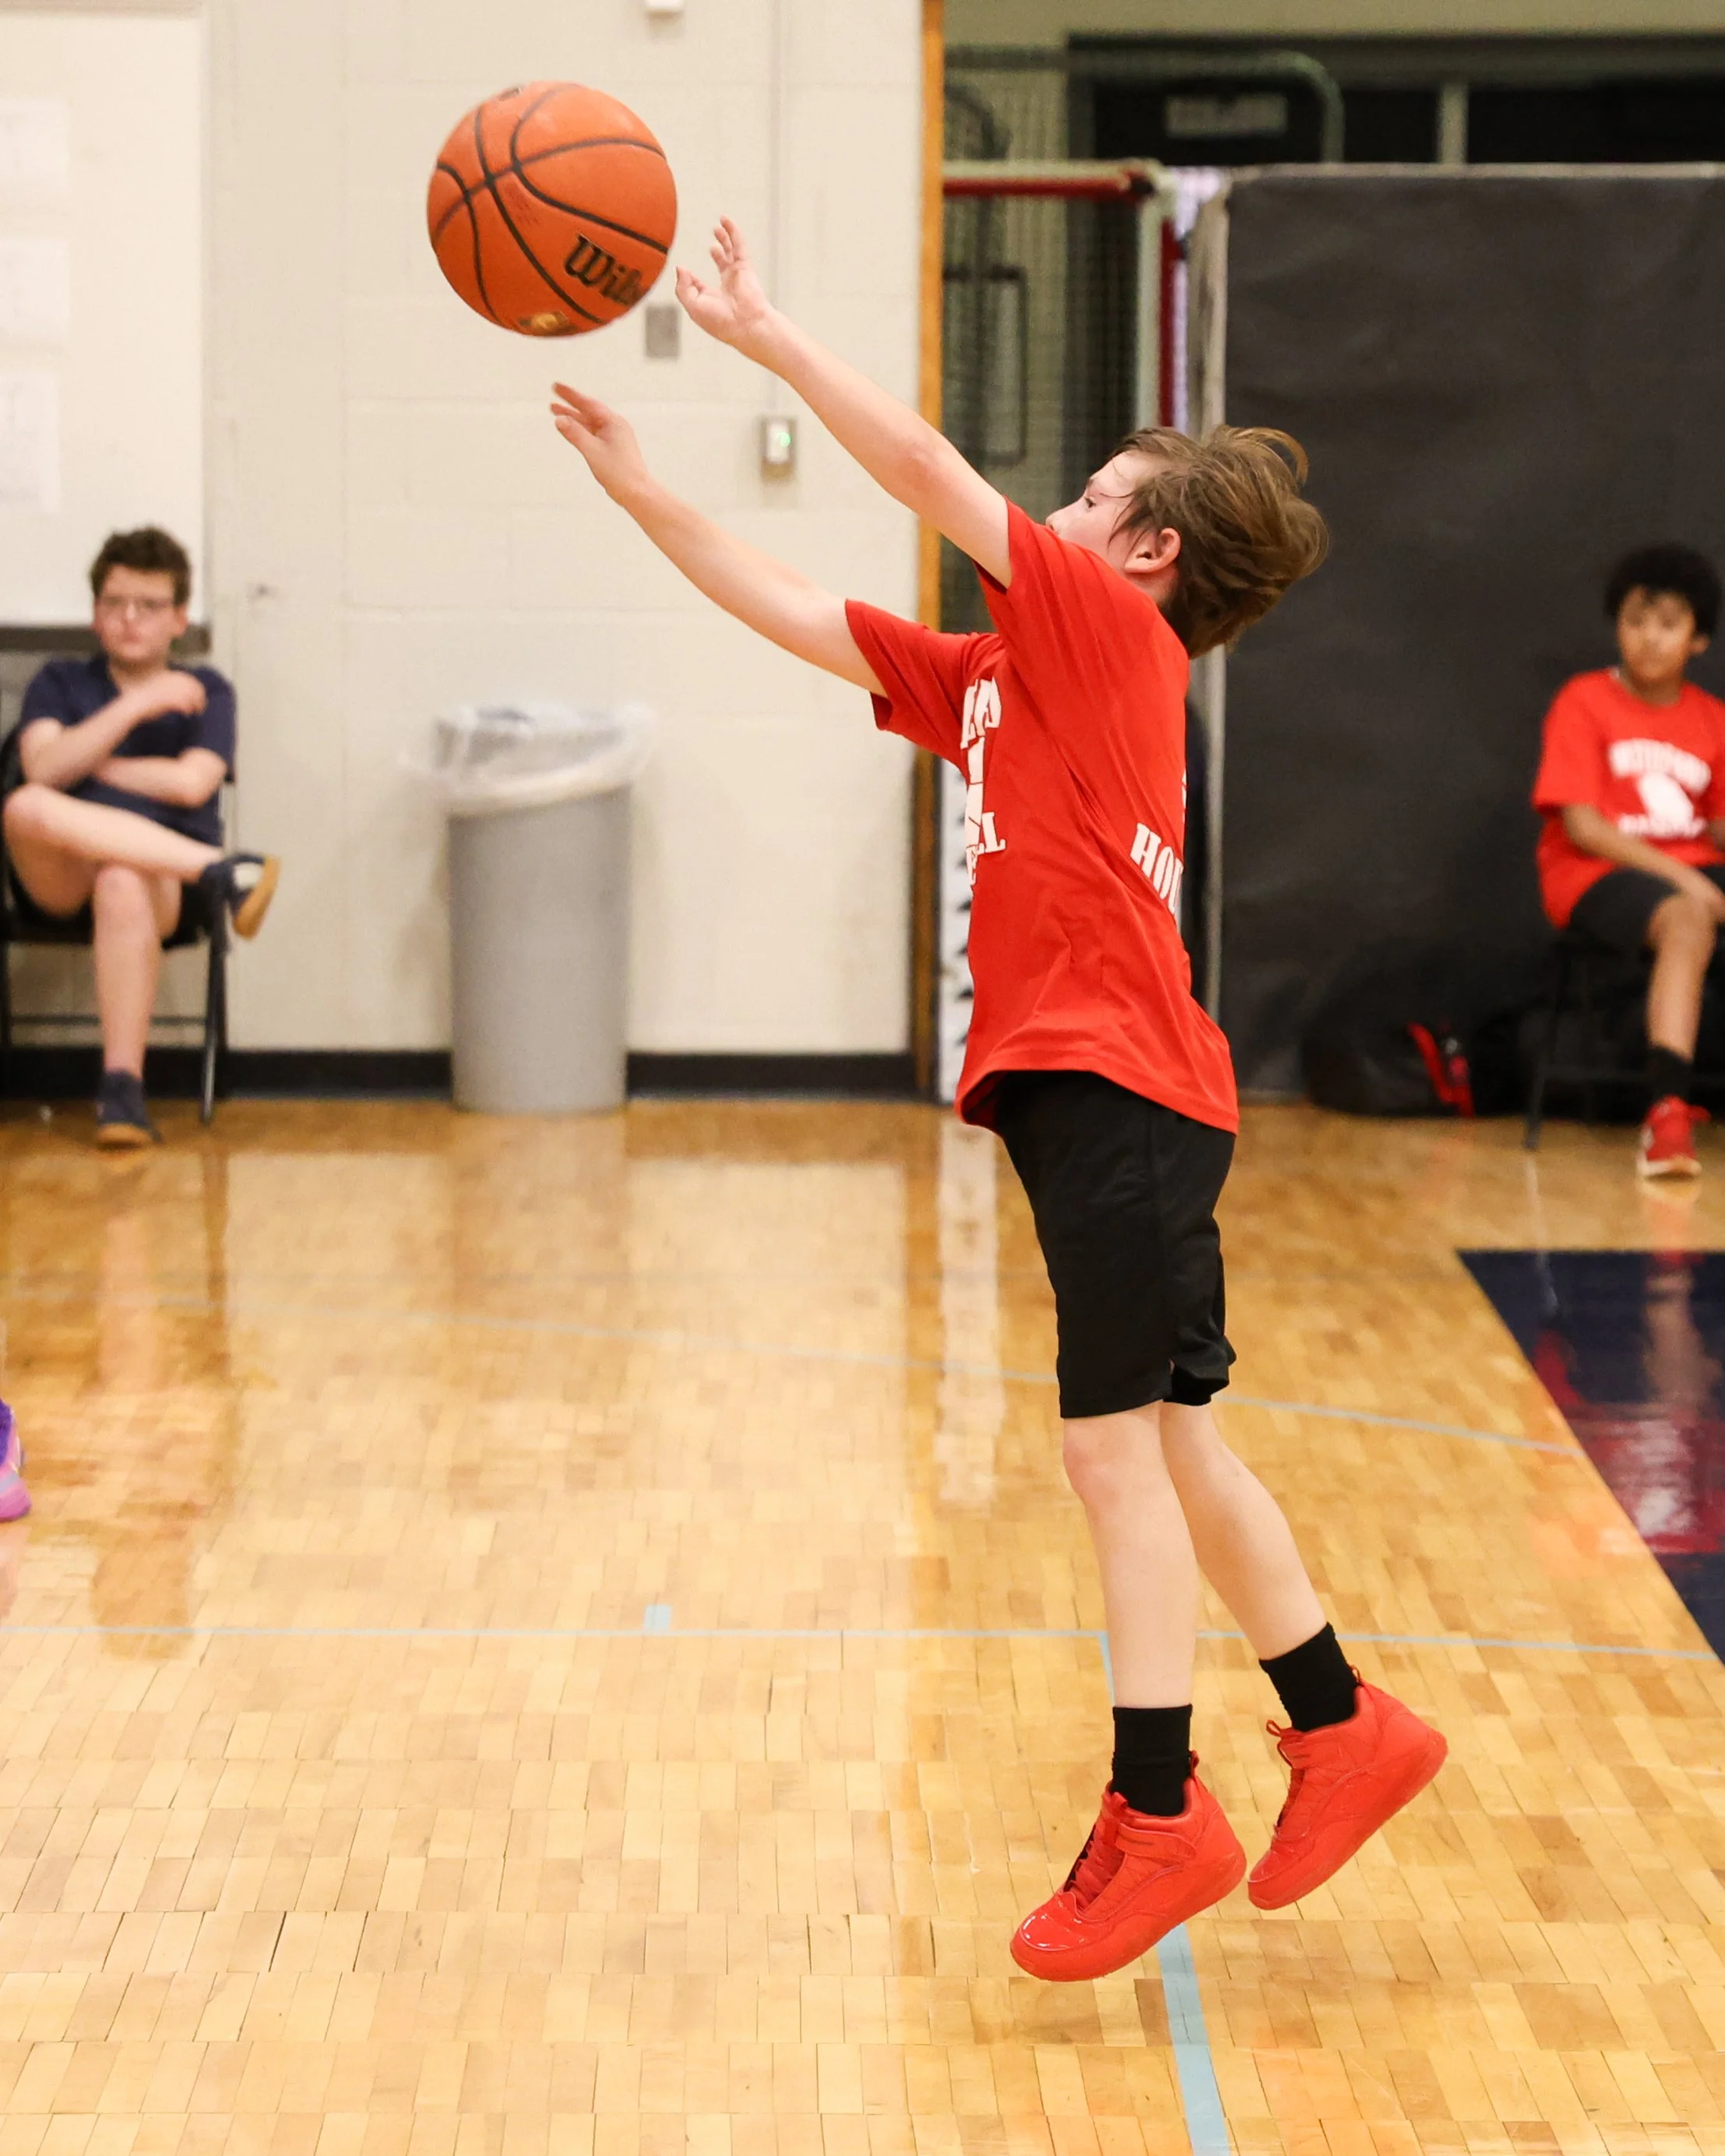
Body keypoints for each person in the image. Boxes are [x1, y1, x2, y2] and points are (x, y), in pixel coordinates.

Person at [547, 219, 1448, 1976]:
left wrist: (765, 334)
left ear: (1146, 551)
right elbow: (795, 607)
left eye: (1091, 497)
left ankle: (1160, 1809)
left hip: (1118, 1081)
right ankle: (1345, 1722)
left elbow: (924, 468)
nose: (1055, 512)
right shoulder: (997, 677)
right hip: (1117, 1092)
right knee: (1169, 1439)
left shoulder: (1112, 636)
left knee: (1107, 1448)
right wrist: (642, 490)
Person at [4, 527, 280, 1146]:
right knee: (24, 805)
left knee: (122, 877)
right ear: (95, 614)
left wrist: (87, 762)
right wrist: (137, 706)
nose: (129, 618)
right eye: (115, 603)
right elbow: (41, 771)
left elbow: (190, 783)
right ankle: (221, 868)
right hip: (59, 873)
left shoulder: (208, 690)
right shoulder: (58, 680)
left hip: (159, 887)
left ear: (179, 618)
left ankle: (122, 1093)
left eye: (149, 605)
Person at [1533, 545, 1725, 1179]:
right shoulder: (1583, 700)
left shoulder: (1712, 719)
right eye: (1635, 620)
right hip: (1596, 873)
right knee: (1687, 915)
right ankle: (1666, 1113)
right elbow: (1584, 826)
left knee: (1692, 905)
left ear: (1697, 638)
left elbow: (1716, 826)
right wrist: (1684, 878)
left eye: (1667, 624)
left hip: (1691, 867)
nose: (1648, 638)